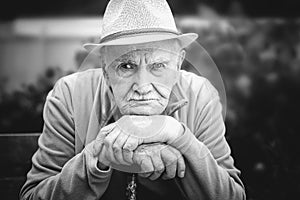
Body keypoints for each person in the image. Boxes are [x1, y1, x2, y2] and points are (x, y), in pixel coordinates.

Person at [20, 0, 246, 199]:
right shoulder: (69, 95)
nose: (143, 87)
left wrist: (177, 135)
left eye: (158, 65)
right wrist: (97, 157)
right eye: (126, 66)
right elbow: (32, 196)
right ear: (106, 70)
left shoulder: (201, 95)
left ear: (177, 65)